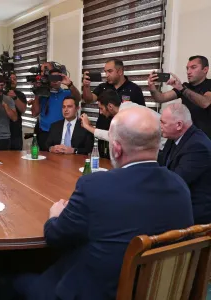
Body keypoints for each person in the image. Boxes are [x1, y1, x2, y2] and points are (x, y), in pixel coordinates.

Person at [14, 106, 193, 300]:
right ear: (157, 144)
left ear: (116, 148)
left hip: (101, 292)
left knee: (9, 280)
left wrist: (55, 216)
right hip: (158, 290)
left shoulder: (94, 187)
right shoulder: (180, 186)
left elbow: (55, 237)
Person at [158, 103, 211, 224]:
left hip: (195, 214)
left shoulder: (198, 146)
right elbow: (161, 164)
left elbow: (177, 181)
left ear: (179, 125)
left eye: (163, 122)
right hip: (177, 202)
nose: (160, 126)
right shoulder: (174, 137)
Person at [82, 59, 145, 156]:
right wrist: (86, 86)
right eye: (105, 71)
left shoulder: (134, 89)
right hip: (103, 133)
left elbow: (142, 116)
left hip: (123, 137)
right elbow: (88, 100)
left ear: (120, 71)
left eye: (110, 71)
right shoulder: (102, 87)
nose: (106, 75)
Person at [148, 55, 211, 138]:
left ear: (205, 69)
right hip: (186, 136)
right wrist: (153, 89)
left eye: (193, 67)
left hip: (205, 138)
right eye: (187, 68)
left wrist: (182, 89)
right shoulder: (185, 86)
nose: (188, 72)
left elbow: (205, 103)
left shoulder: (208, 84)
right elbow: (161, 98)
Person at [31, 68, 81, 150]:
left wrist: (70, 84)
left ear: (61, 79)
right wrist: (37, 93)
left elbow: (78, 98)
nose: (54, 81)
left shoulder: (66, 93)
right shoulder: (43, 94)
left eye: (57, 78)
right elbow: (34, 113)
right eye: (52, 78)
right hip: (45, 132)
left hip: (61, 132)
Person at [8, 72, 27, 150]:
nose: (12, 81)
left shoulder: (20, 94)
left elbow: (23, 110)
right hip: (1, 133)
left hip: (16, 132)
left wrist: (15, 97)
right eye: (10, 79)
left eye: (14, 79)